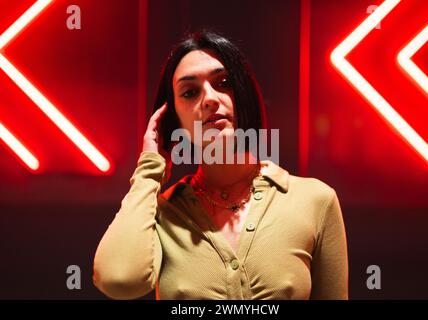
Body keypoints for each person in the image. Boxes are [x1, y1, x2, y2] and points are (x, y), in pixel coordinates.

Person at [93, 30, 348, 300]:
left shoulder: (314, 200)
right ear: (173, 120)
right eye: (190, 92)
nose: (210, 99)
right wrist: (149, 172)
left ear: (243, 92)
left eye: (224, 82)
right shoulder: (162, 213)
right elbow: (117, 279)